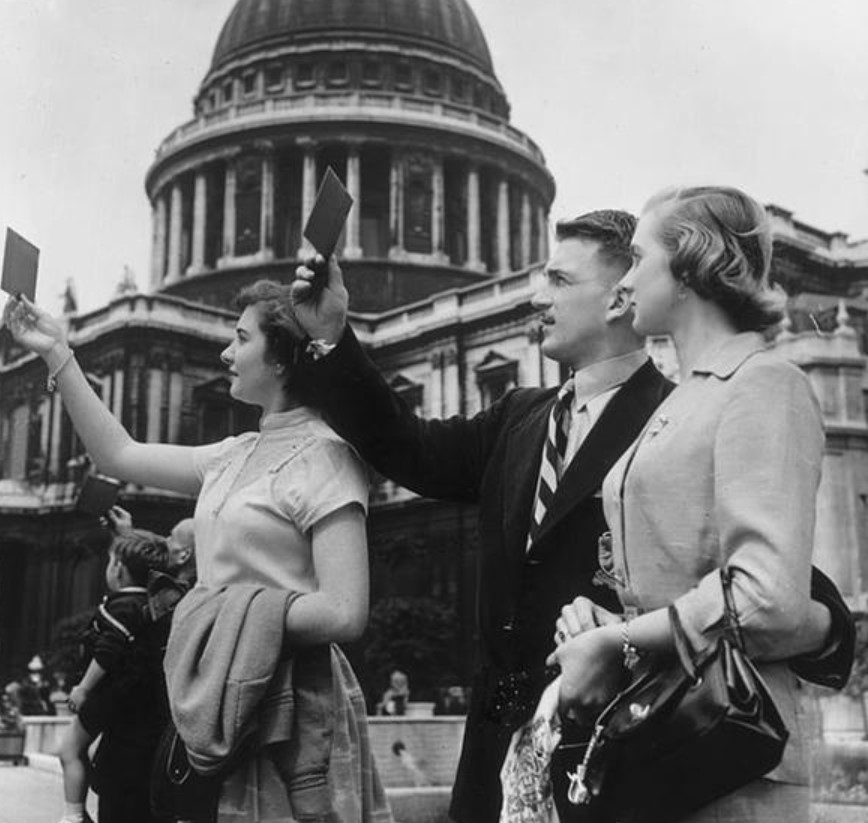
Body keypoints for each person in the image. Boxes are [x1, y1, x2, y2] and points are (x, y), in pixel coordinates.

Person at [291, 211, 852, 823]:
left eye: (558, 279)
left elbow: (777, 584)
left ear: (618, 299)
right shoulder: (518, 415)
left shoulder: (682, 419)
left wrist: (831, 631)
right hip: (496, 746)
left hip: (611, 743)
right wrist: (332, 339)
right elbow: (409, 448)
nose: (538, 296)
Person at [4, 281, 392, 823]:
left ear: (280, 358)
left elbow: (346, 611)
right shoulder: (234, 453)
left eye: (240, 338)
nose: (225, 353)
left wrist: (209, 610)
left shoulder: (327, 457)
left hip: (291, 708)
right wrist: (57, 352)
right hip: (213, 692)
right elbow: (118, 453)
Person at [549, 185, 833, 822]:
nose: (625, 280)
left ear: (688, 269)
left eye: (640, 258)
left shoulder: (764, 383)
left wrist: (618, 638)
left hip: (734, 749)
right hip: (671, 737)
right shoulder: (684, 399)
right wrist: (609, 624)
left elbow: (765, 594)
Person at [59, 529, 170, 823]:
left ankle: (73, 814)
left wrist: (83, 688)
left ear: (117, 568)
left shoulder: (120, 607)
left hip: (109, 692)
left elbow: (109, 650)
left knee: (69, 747)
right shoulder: (151, 603)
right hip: (136, 704)